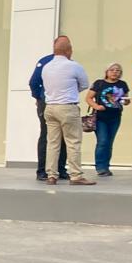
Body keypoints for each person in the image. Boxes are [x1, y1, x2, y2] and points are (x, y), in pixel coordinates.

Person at [39, 37, 94, 185]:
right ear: (68, 51)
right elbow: (84, 85)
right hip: (68, 107)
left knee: (52, 143)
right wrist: (71, 91)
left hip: (49, 107)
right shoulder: (74, 66)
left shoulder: (46, 67)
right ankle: (76, 175)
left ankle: (51, 175)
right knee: (73, 142)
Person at [30, 37, 69, 181]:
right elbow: (34, 82)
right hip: (47, 103)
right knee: (47, 136)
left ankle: (60, 169)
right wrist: (39, 98)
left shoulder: (70, 64)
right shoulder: (46, 61)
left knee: (64, 136)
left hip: (63, 103)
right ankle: (42, 170)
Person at [87, 63, 132, 176]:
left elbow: (125, 99)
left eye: (118, 70)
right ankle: (100, 167)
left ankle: (106, 167)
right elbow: (88, 98)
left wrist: (126, 101)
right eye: (112, 70)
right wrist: (96, 106)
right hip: (101, 117)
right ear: (106, 72)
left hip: (115, 117)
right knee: (102, 141)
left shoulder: (122, 84)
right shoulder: (99, 83)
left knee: (109, 142)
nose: (115, 72)